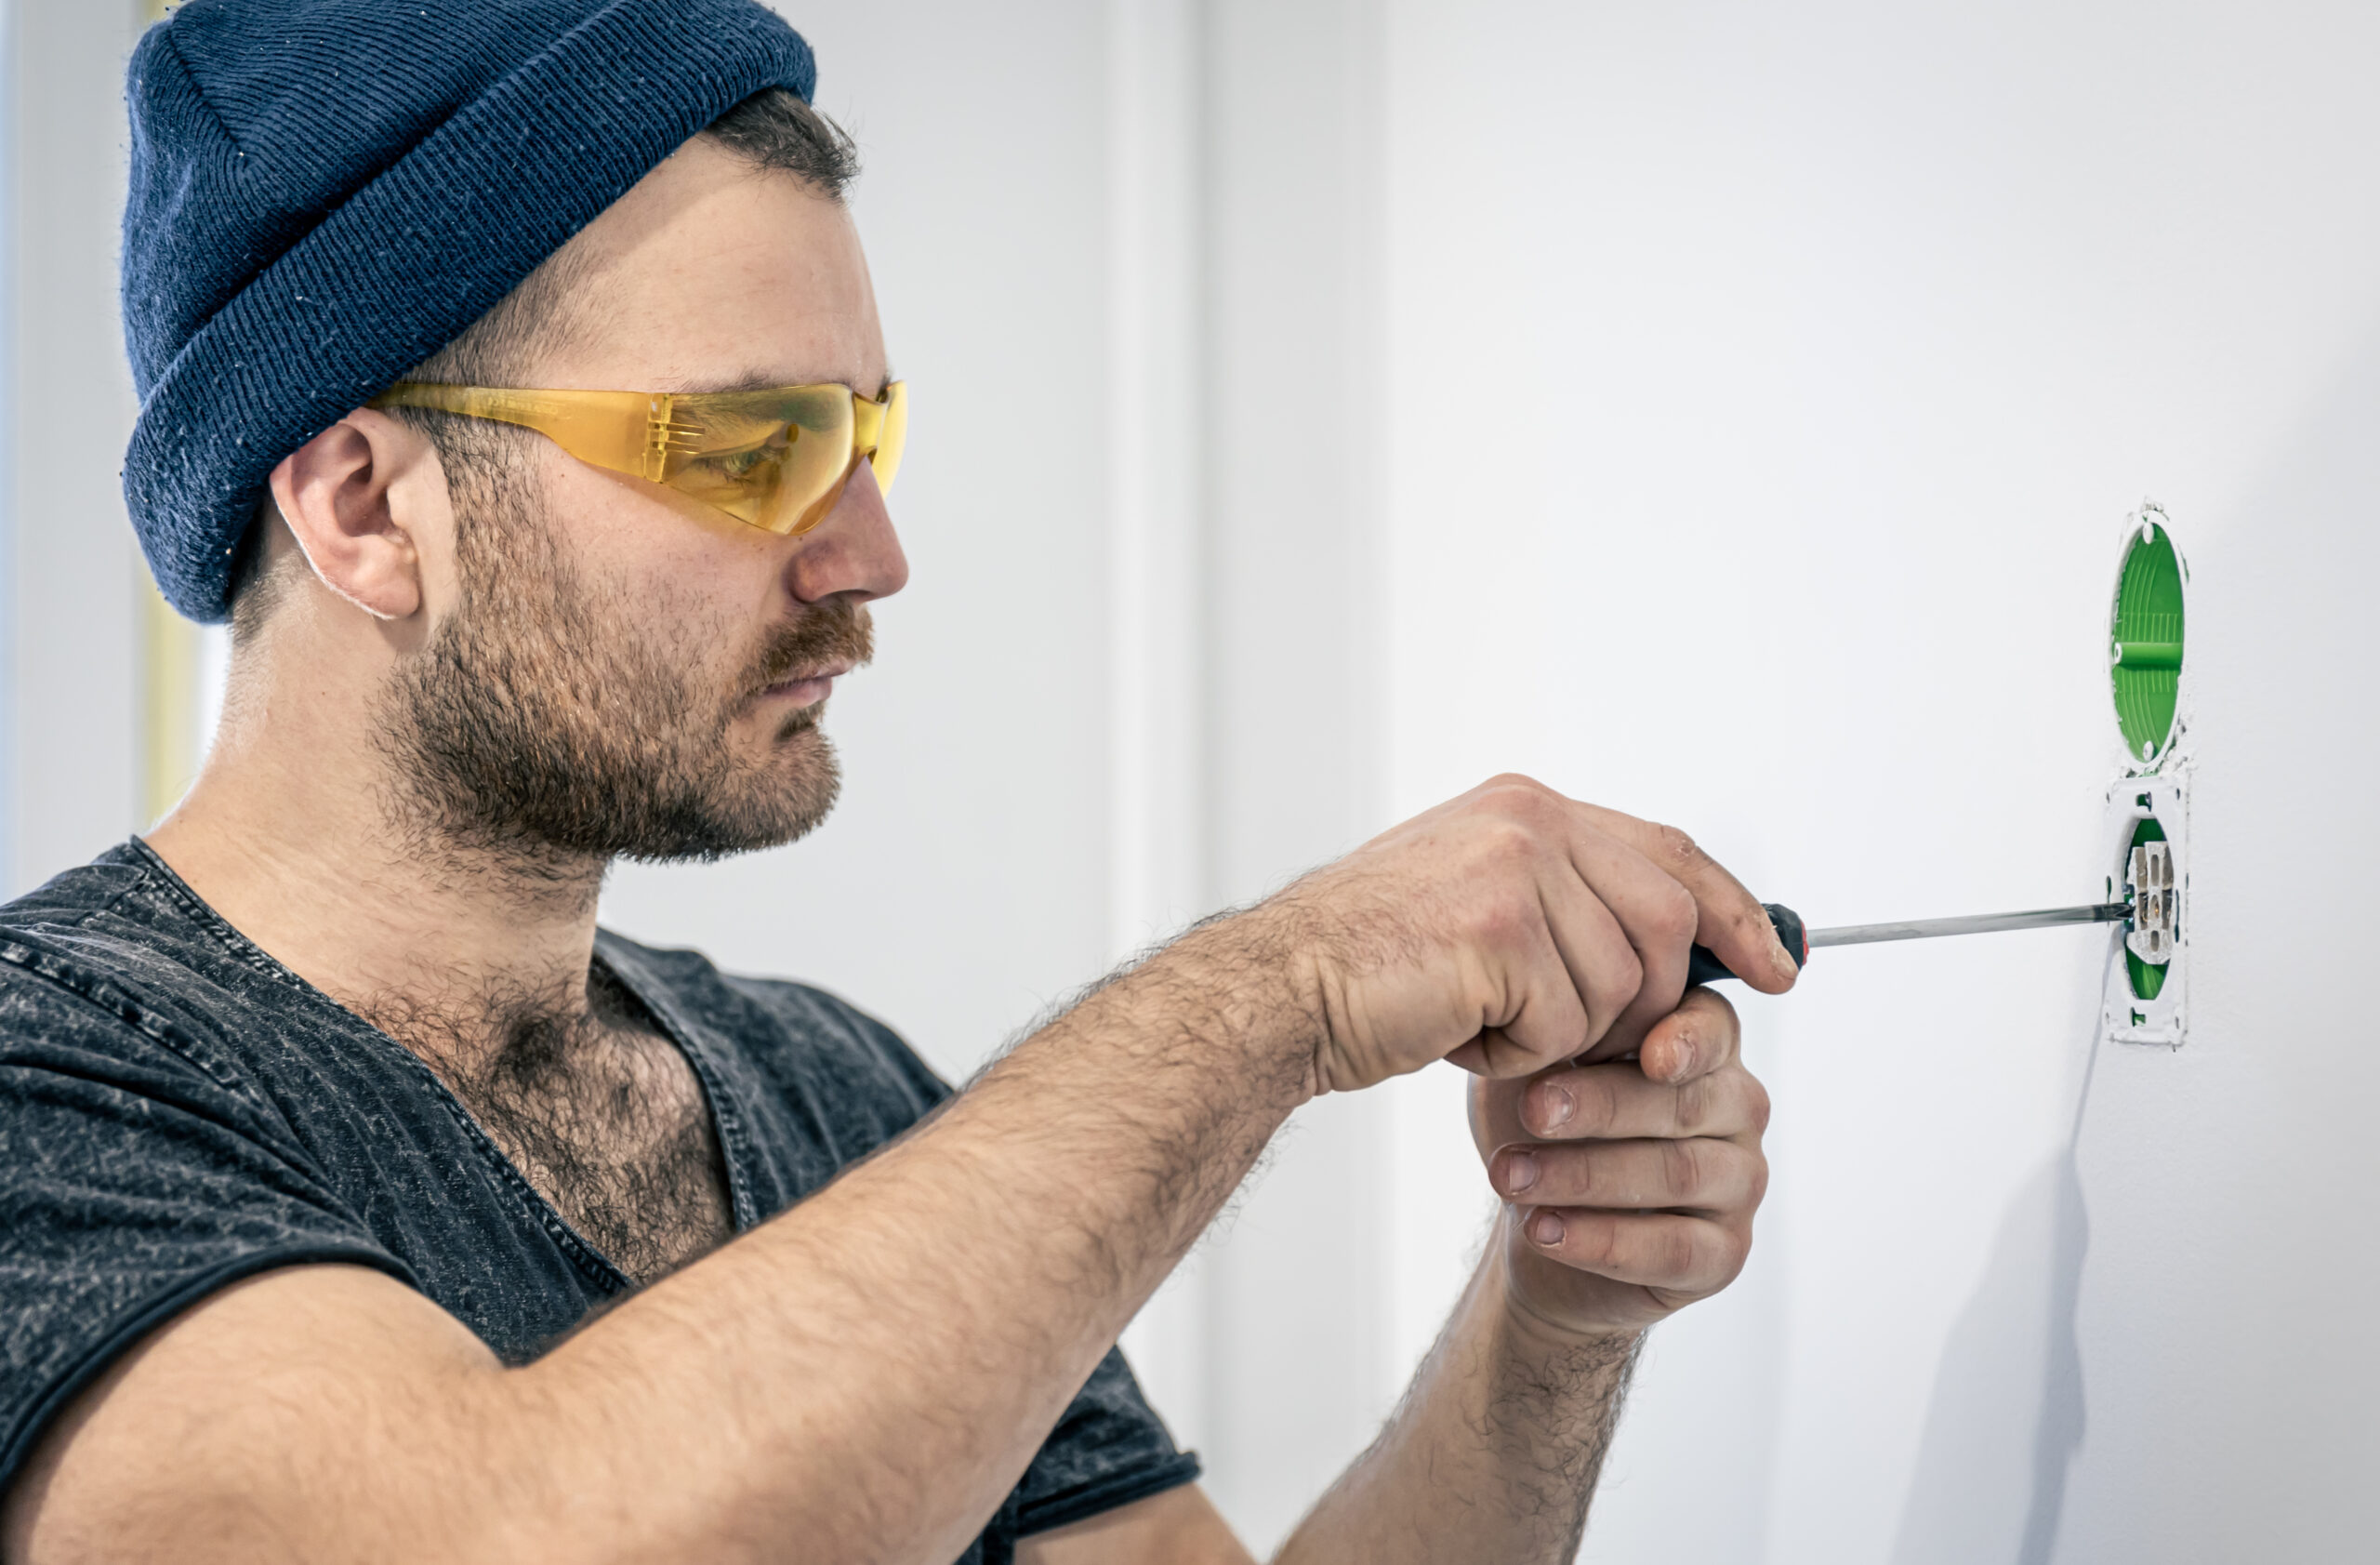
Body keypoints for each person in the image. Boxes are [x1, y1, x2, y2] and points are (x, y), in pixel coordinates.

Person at [0, 3, 1798, 1560]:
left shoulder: (830, 1094)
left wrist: (1554, 1314)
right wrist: (1283, 984)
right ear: (364, 508)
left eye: (866, 437)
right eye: (757, 444)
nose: (871, 552)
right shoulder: (50, 1092)